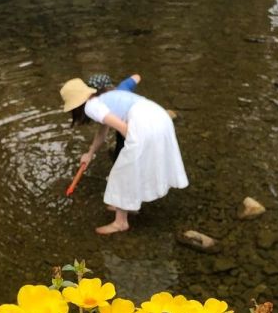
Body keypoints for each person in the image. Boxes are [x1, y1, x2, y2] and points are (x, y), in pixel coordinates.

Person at [60, 74, 188, 235]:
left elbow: (122, 128)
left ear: (75, 105)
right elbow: (102, 132)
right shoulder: (103, 98)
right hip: (160, 118)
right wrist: (90, 153)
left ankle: (120, 222)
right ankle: (128, 204)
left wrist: (134, 148)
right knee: (132, 169)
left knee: (122, 173)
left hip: (145, 124)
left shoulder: (91, 107)